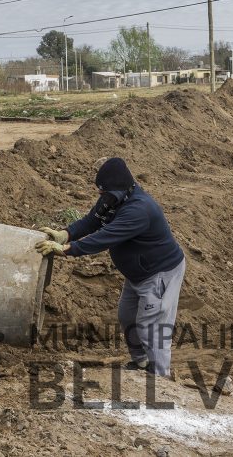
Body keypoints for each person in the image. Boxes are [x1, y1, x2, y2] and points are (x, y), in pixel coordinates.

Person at [35, 157, 186, 377]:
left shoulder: (139, 210)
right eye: (101, 192)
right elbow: (91, 221)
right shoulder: (113, 198)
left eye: (105, 193)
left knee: (150, 328)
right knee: (127, 317)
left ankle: (161, 378)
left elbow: (104, 237)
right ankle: (141, 363)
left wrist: (67, 249)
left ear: (122, 189)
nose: (101, 197)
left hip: (159, 274)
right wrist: (65, 234)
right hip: (137, 274)